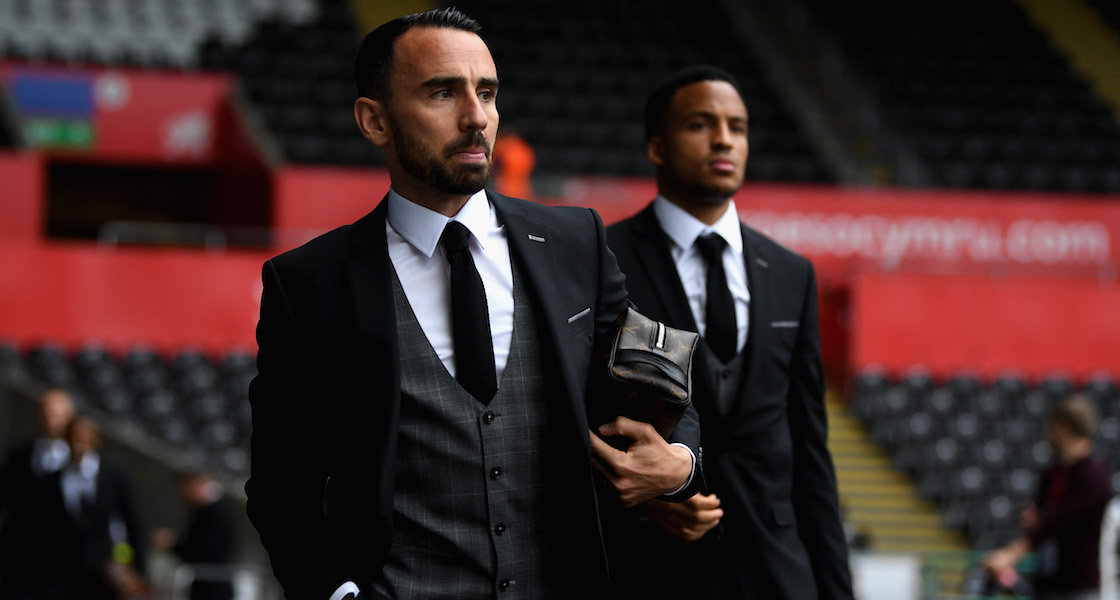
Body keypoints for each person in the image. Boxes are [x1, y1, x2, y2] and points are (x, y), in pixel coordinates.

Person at [244, 8, 701, 600]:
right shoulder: (308, 283)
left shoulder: (576, 243)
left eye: (486, 93)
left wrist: (682, 462)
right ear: (374, 120)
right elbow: (281, 487)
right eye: (443, 93)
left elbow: (653, 384)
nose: (477, 117)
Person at [604, 65, 854, 599]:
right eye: (701, 124)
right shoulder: (604, 258)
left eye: (737, 127)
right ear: (657, 146)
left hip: (778, 571)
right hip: (653, 570)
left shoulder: (792, 273)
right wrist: (647, 498)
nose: (724, 139)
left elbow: (810, 450)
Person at [983, 394, 1113, 600]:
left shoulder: (1092, 475)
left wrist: (1012, 553)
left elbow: (1060, 520)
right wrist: (1035, 521)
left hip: (1078, 586)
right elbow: (1045, 520)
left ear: (1063, 427)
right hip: (1048, 584)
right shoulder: (1054, 472)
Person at [0, 387, 75, 600]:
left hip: (62, 561)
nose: (52, 421)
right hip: (21, 557)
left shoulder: (82, 463)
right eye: (47, 414)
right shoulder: (19, 455)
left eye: (58, 415)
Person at [152, 471, 237, 600]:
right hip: (207, 586)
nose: (184, 496)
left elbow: (206, 551)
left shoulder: (215, 513)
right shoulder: (207, 510)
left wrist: (173, 544)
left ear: (196, 484)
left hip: (212, 589)